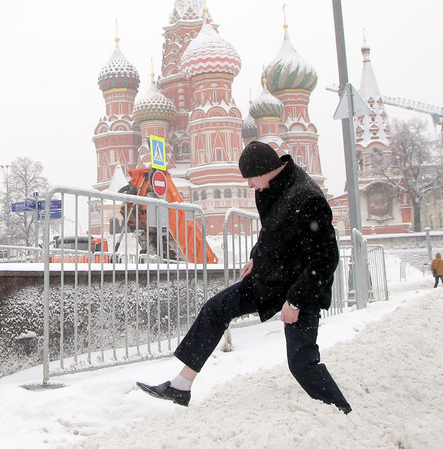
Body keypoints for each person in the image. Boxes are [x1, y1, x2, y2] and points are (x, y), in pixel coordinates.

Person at [137, 141, 351, 413]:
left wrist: (295, 301)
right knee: (215, 309)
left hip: (302, 288)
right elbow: (271, 231)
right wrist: (256, 257)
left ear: (263, 170)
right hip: (272, 279)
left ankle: (341, 411)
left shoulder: (307, 197)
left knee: (302, 363)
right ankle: (181, 386)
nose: (249, 185)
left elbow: (325, 258)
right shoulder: (272, 186)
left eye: (250, 178)